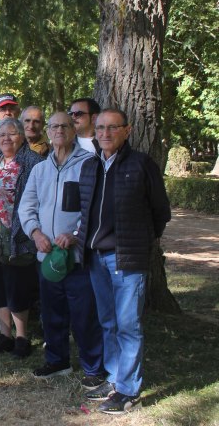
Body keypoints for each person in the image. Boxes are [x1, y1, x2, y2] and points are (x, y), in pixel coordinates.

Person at [77, 108, 170, 414]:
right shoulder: (90, 166)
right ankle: (115, 376)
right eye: (100, 128)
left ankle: (128, 390)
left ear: (127, 131)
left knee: (128, 325)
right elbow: (85, 211)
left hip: (127, 257)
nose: (105, 133)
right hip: (96, 257)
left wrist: (140, 241)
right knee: (108, 321)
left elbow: (160, 212)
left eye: (112, 128)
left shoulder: (141, 165)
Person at [18, 112, 104, 384]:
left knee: (84, 315)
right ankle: (57, 361)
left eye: (64, 126)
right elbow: (26, 206)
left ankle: (93, 368)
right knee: (51, 314)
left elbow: (94, 208)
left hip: (77, 257)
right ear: (48, 131)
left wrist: (76, 235)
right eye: (53, 126)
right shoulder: (40, 169)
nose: (58, 131)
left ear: (73, 130)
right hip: (48, 257)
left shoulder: (89, 164)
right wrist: (35, 232)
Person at [0, 117, 44, 359]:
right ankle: (5, 333)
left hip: (15, 235)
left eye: (12, 133)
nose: (6, 138)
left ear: (22, 136)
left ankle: (22, 337)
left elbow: (38, 202)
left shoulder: (33, 162)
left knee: (16, 286)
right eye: (2, 134)